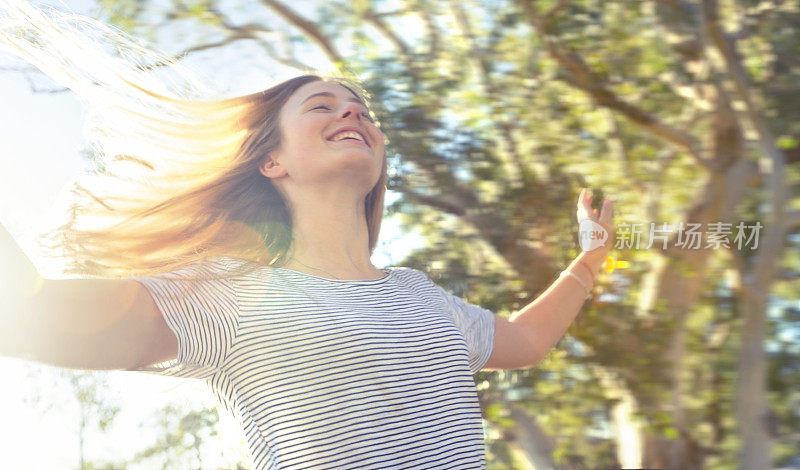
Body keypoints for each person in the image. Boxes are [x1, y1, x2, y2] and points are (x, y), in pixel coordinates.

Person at [0, 2, 614, 469]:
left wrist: (590, 257)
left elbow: (526, 340)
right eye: (322, 106)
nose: (353, 113)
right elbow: (21, 312)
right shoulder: (223, 297)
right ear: (272, 162)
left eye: (363, 111)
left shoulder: (421, 296)